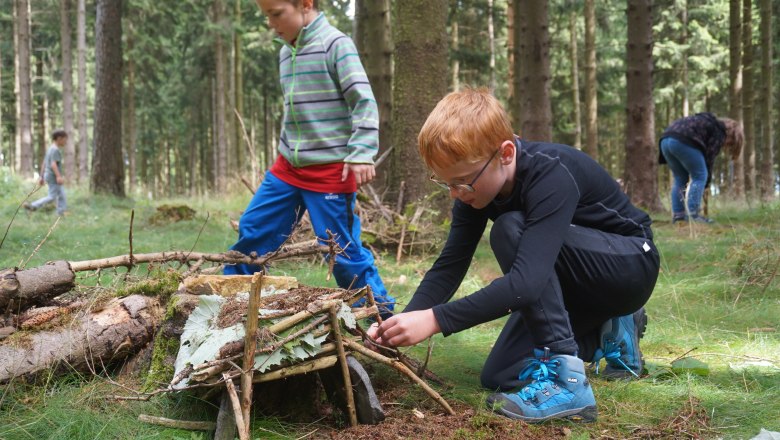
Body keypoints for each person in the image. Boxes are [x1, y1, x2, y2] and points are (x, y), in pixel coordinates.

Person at [368, 88, 660, 423]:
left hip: (629, 266)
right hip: (575, 282)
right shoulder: (477, 189)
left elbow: (526, 283)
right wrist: (400, 324)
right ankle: (610, 327)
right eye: (446, 183)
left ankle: (568, 381)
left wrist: (435, 320)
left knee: (509, 228)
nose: (455, 193)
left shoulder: (550, 173)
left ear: (505, 153)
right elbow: (450, 265)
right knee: (501, 375)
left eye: (462, 182)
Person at [224, 0, 395, 318]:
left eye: (277, 14)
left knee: (341, 252)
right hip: (287, 168)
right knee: (253, 229)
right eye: (266, 17)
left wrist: (361, 152)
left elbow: (364, 103)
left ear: (305, 4)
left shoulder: (335, 45)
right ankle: (230, 307)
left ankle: (381, 318)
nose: (272, 24)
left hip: (329, 172)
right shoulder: (285, 52)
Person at [659, 113, 743, 224]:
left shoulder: (708, 123)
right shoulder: (719, 131)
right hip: (684, 140)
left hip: (665, 140)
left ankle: (678, 216)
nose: (726, 145)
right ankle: (693, 215)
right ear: (731, 134)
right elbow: (709, 158)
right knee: (700, 175)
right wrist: (706, 182)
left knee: (680, 178)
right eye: (730, 142)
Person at [24, 129, 68, 216]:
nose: (66, 142)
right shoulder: (55, 150)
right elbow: (53, 164)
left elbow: (44, 163)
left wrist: (41, 176)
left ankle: (61, 212)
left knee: (61, 194)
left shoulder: (50, 149)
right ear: (59, 138)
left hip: (48, 175)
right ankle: (33, 206)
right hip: (53, 176)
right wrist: (58, 176)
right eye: (65, 139)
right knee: (52, 196)